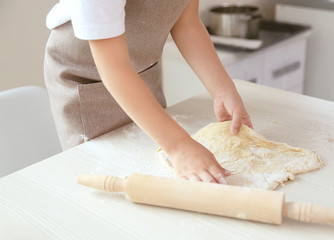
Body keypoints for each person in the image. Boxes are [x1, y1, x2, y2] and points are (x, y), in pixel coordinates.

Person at [44, 0, 253, 184]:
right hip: (86, 82)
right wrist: (179, 146)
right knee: (109, 182)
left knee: (154, 172)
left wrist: (222, 90)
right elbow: (114, 67)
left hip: (141, 72)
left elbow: (187, 24)